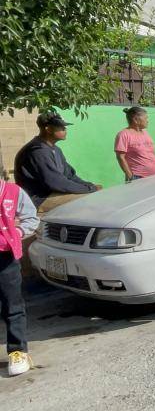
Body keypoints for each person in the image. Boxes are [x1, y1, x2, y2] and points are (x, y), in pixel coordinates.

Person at [14, 112, 101, 212]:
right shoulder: (37, 151)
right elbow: (56, 183)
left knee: (97, 194)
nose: (65, 130)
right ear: (48, 129)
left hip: (52, 194)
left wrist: (90, 185)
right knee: (89, 200)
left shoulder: (55, 149)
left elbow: (70, 176)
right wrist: (90, 189)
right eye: (61, 127)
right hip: (38, 199)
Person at [0, 168, 40, 376]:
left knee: (12, 305)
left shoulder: (13, 192)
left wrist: (14, 233)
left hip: (4, 258)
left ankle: (17, 351)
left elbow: (31, 218)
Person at [115, 107, 155, 182]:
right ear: (136, 120)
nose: (147, 121)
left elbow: (150, 154)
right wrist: (130, 176)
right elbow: (120, 157)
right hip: (138, 178)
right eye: (145, 118)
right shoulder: (123, 135)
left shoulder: (145, 133)